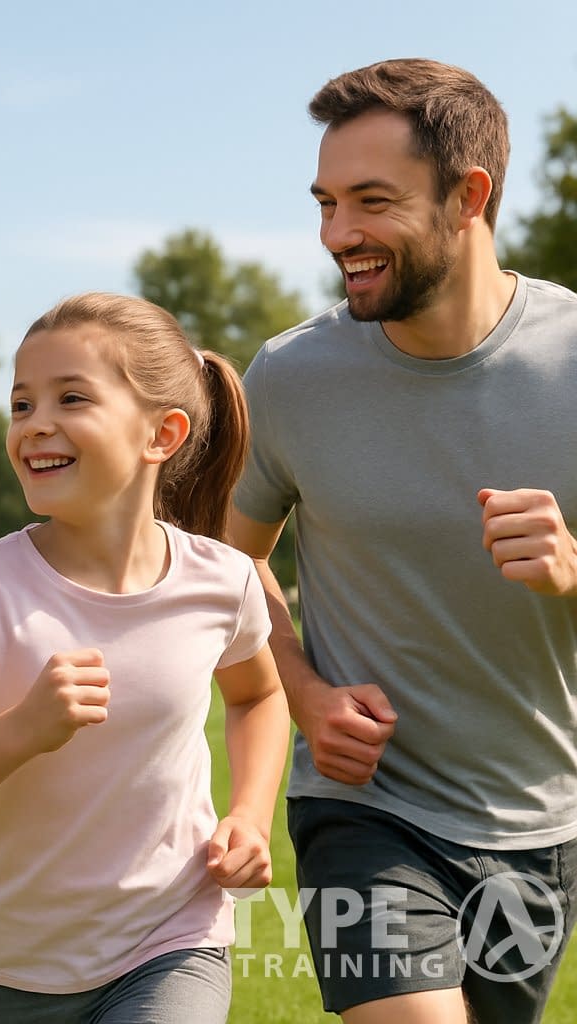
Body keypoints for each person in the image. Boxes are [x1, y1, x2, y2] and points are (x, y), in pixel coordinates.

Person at [228, 58, 577, 1024]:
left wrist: (573, 571)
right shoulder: (295, 376)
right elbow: (228, 563)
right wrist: (306, 694)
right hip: (364, 808)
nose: (340, 236)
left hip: (537, 818)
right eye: (327, 203)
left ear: (470, 197)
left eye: (371, 202)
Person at [0, 292, 289, 1023]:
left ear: (161, 433)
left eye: (71, 398)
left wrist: (251, 816)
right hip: (13, 965)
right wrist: (23, 728)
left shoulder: (221, 581)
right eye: (20, 405)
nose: (36, 425)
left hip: (172, 940)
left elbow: (258, 696)